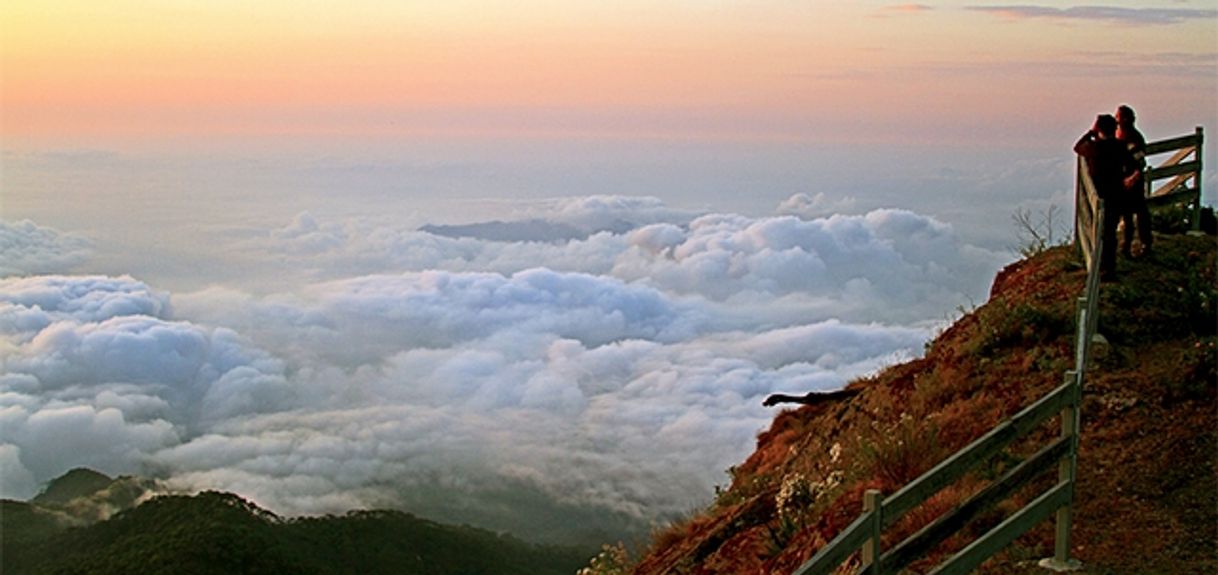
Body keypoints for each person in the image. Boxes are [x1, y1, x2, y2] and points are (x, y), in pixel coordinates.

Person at [1075, 114, 1132, 280]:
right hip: (1117, 194)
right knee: (1110, 233)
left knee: (1098, 232)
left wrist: (1090, 132)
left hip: (1099, 195)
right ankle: (1109, 268)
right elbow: (1130, 164)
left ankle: (1099, 267)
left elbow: (1077, 147)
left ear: (1099, 129)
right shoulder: (1120, 147)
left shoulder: (1094, 148)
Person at [1116, 104, 1152, 258]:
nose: (1116, 119)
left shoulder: (1134, 137)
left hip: (1133, 182)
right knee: (1128, 214)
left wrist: (1134, 176)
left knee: (1138, 212)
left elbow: (1140, 160)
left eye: (1118, 116)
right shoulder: (1121, 135)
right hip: (1124, 181)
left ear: (1125, 119)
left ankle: (1144, 243)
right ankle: (1127, 245)